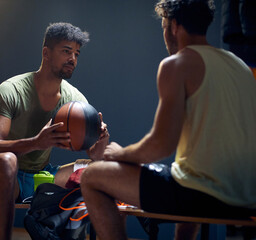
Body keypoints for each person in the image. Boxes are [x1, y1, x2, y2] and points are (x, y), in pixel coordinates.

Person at [80, 0, 256, 239]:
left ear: (174, 26)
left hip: (203, 195)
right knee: (181, 172)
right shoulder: (240, 66)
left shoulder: (177, 63)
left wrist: (118, 154)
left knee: (92, 176)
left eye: (164, 26)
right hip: (246, 198)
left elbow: (161, 145)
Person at [0, 22, 109, 240]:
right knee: (6, 160)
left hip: (40, 177)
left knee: (94, 170)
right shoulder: (12, 89)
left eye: (76, 53)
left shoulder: (76, 100)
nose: (72, 59)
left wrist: (100, 142)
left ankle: (52, 229)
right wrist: (37, 142)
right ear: (46, 53)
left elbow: (94, 156)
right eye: (66, 51)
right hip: (0, 176)